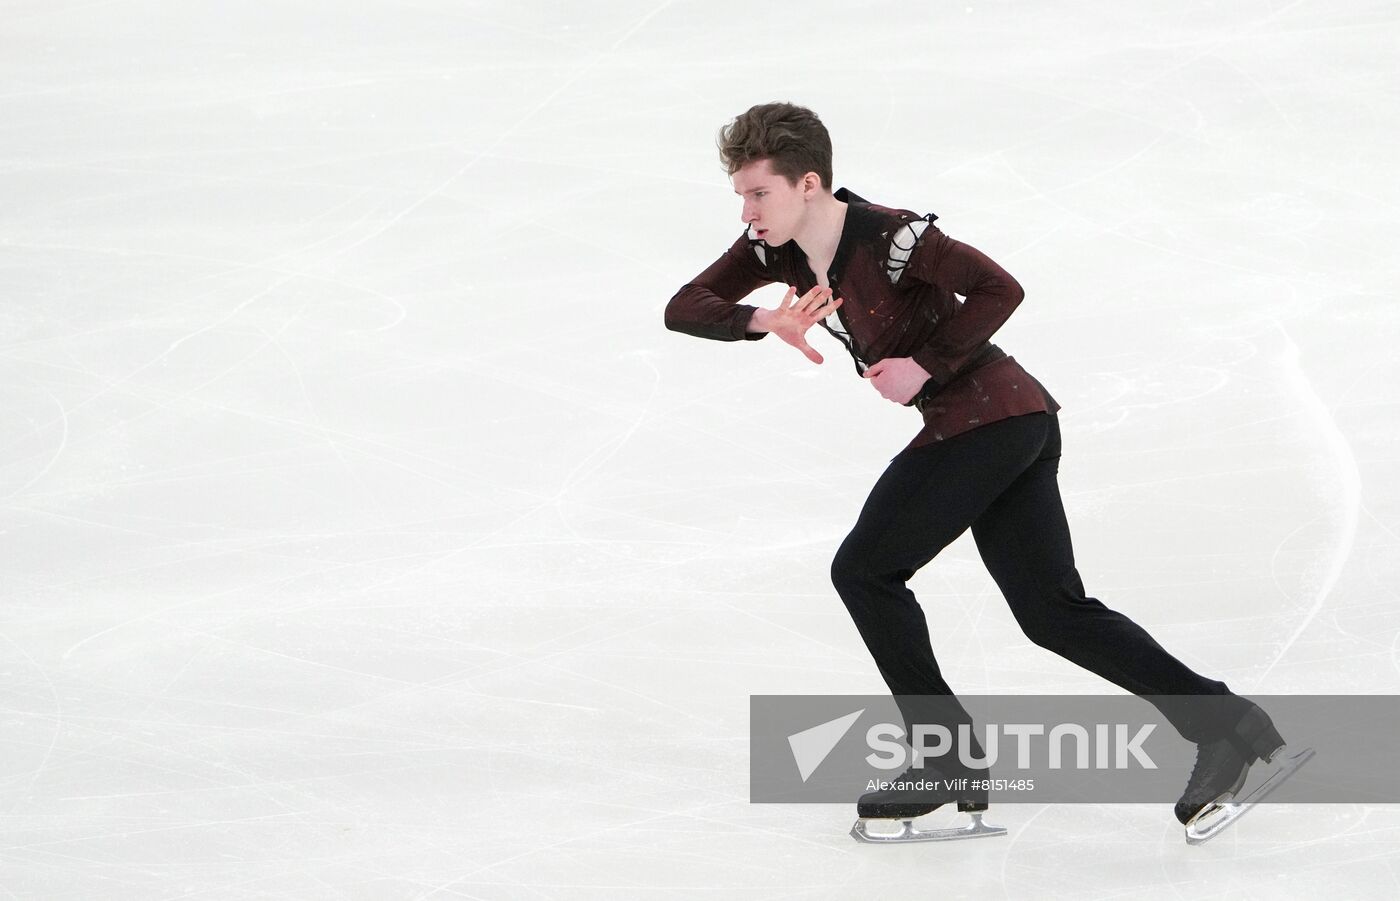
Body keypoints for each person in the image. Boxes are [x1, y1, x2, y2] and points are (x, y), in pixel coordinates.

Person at [663, 101, 1304, 844]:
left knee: (865, 570)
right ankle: (1229, 726)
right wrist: (762, 320)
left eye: (757, 192)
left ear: (808, 183)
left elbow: (1002, 287)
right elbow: (685, 305)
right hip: (1012, 421)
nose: (746, 211)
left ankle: (950, 763)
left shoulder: (893, 237)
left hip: (988, 419)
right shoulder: (774, 249)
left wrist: (922, 364)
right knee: (1053, 612)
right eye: (741, 195)